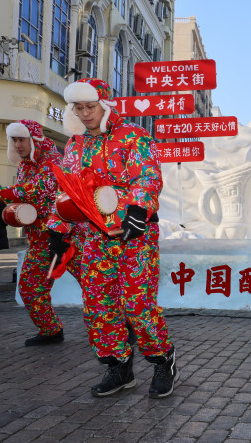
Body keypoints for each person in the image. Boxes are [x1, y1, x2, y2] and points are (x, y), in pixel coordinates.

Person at [46, 77, 176, 399]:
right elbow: (68, 192)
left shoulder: (133, 136)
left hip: (134, 236)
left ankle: (162, 361)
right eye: (79, 107)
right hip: (92, 238)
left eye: (90, 106)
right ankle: (118, 367)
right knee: (98, 305)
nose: (85, 113)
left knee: (137, 304)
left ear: (104, 105)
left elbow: (147, 176)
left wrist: (138, 210)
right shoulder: (75, 145)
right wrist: (57, 228)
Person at [0, 120, 68, 345]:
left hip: (66, 237)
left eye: (21, 139)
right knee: (29, 287)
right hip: (39, 239)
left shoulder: (53, 160)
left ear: (34, 139)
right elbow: (26, 196)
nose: (17, 145)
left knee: (96, 286)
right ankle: (51, 330)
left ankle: (125, 324)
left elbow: (38, 191)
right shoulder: (25, 165)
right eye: (14, 140)